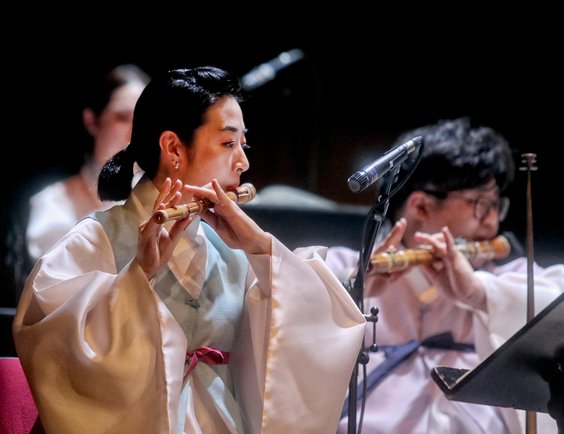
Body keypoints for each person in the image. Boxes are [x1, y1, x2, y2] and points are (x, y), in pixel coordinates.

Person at [13, 66, 365, 433]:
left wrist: (262, 249)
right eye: (229, 144)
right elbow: (53, 347)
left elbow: (314, 331)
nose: (243, 162)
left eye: (244, 145)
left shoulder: (238, 250)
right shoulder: (95, 240)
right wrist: (138, 277)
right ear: (173, 147)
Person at [326, 118, 564, 434]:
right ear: (420, 207)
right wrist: (355, 288)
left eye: (496, 207)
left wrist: (479, 293)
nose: (492, 225)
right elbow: (285, 300)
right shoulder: (345, 265)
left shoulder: (504, 278)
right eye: (481, 205)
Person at [25, 64, 150, 263]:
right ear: (92, 121)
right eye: (123, 118)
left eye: (143, 119)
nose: (135, 131)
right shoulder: (53, 204)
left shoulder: (158, 195)